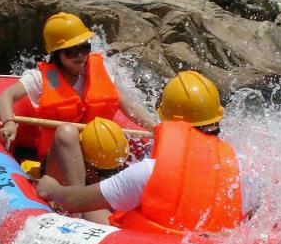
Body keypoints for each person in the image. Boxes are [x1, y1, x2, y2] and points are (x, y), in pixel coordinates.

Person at [37, 71, 256, 234]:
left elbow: (76, 202)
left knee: (92, 211)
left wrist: (54, 189)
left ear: (169, 122)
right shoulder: (241, 166)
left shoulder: (149, 172)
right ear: (216, 120)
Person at [0, 12, 156, 189]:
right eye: (71, 51)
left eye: (84, 48)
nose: (80, 55)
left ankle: (103, 191)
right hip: (58, 163)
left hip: (97, 158)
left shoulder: (99, 73)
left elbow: (129, 107)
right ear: (56, 53)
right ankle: (78, 198)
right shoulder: (41, 79)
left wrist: (155, 128)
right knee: (68, 133)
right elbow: (6, 96)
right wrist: (9, 122)